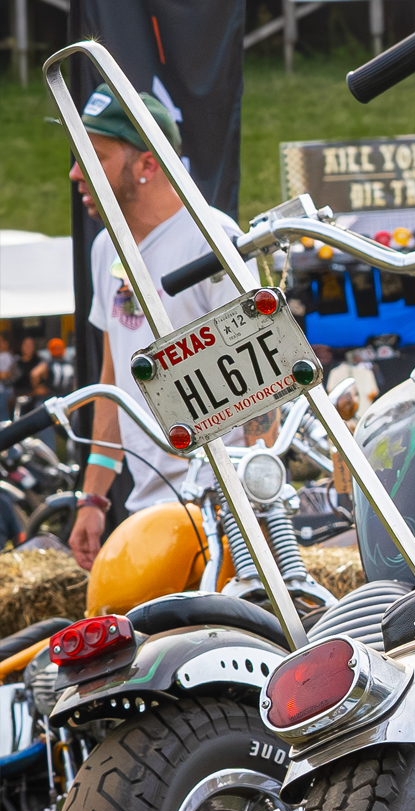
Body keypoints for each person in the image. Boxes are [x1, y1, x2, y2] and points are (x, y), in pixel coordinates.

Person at [67, 84, 259, 572]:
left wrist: (257, 505)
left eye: (94, 158)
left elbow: (264, 382)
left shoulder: (213, 239)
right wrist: (93, 499)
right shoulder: (106, 248)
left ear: (147, 165)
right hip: (150, 513)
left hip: (224, 510)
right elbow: (114, 382)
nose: (75, 174)